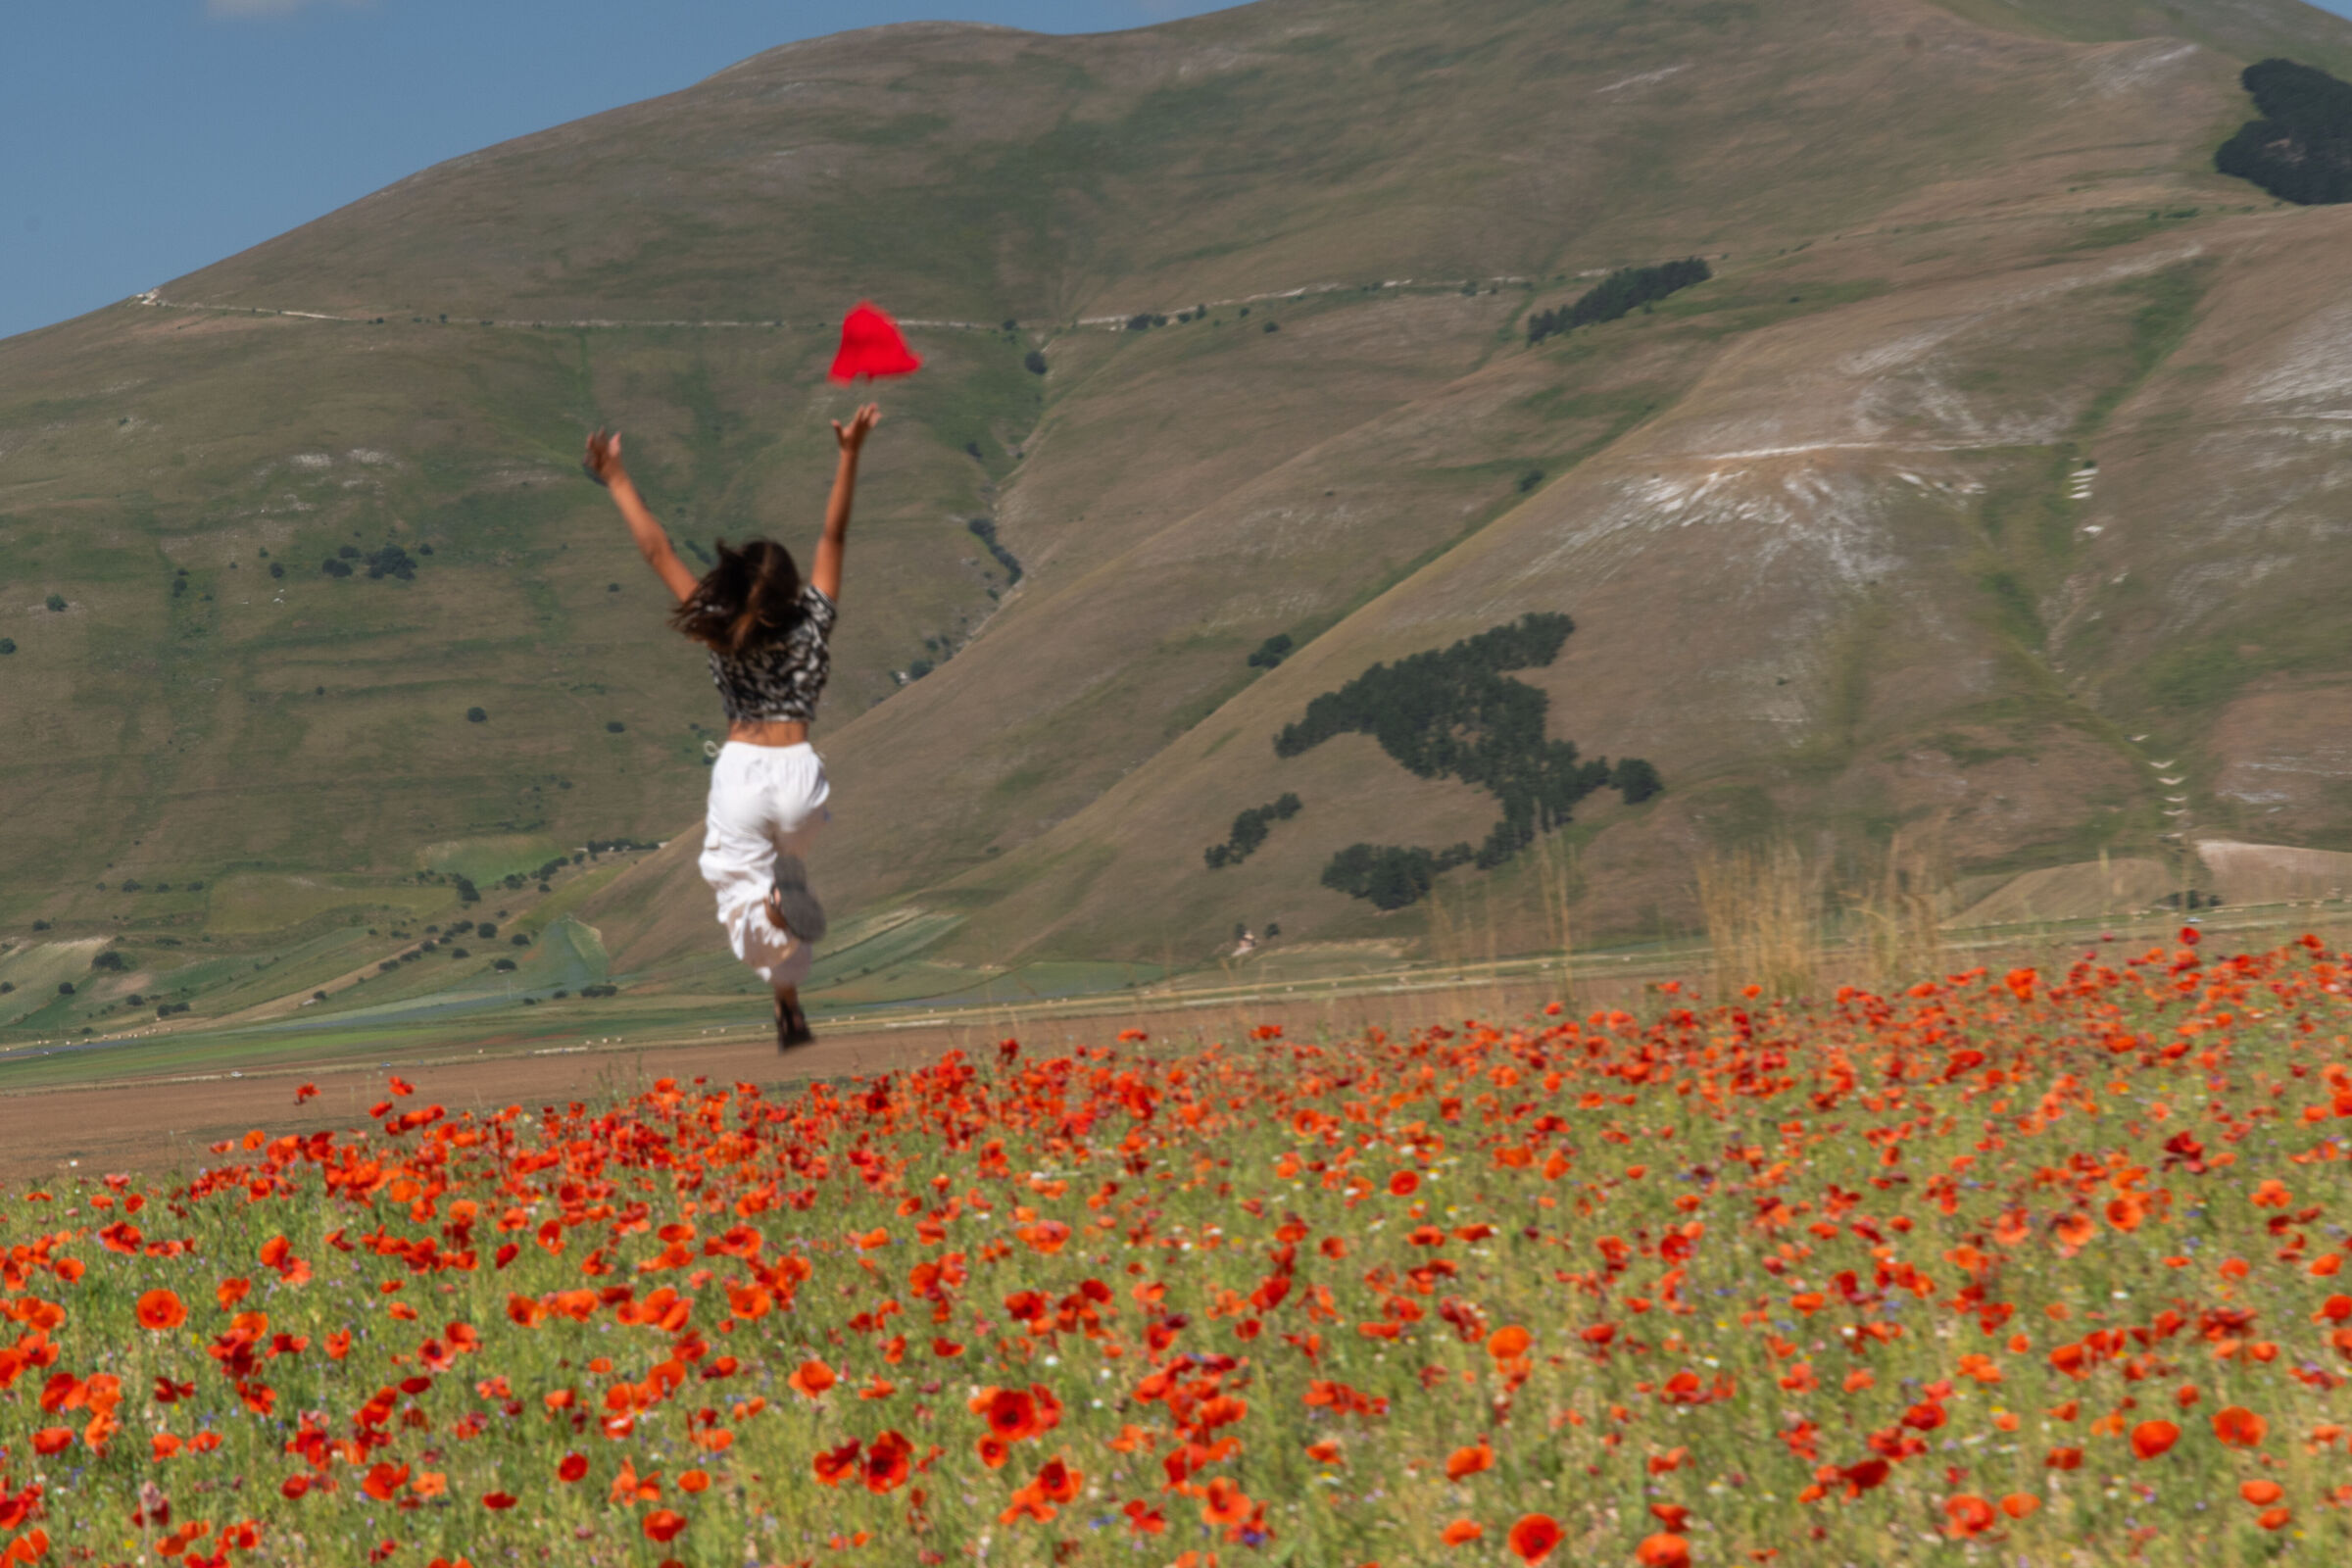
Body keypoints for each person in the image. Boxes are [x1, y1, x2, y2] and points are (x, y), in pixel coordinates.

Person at [582, 404, 881, 1048]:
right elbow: (834, 537)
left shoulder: (719, 630)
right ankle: (788, 1004)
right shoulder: (814, 623)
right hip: (801, 779)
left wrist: (617, 478)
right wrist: (849, 453)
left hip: (744, 770)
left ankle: (773, 911)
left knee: (736, 890)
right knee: (778, 876)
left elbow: (656, 550)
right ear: (791, 590)